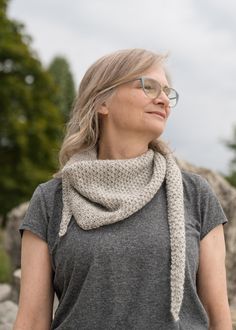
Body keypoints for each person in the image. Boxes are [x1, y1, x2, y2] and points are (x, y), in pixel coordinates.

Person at [13, 48, 232, 330]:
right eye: (148, 86)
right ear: (102, 102)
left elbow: (217, 316)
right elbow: (31, 321)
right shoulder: (51, 199)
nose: (164, 99)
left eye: (167, 92)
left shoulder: (195, 194)